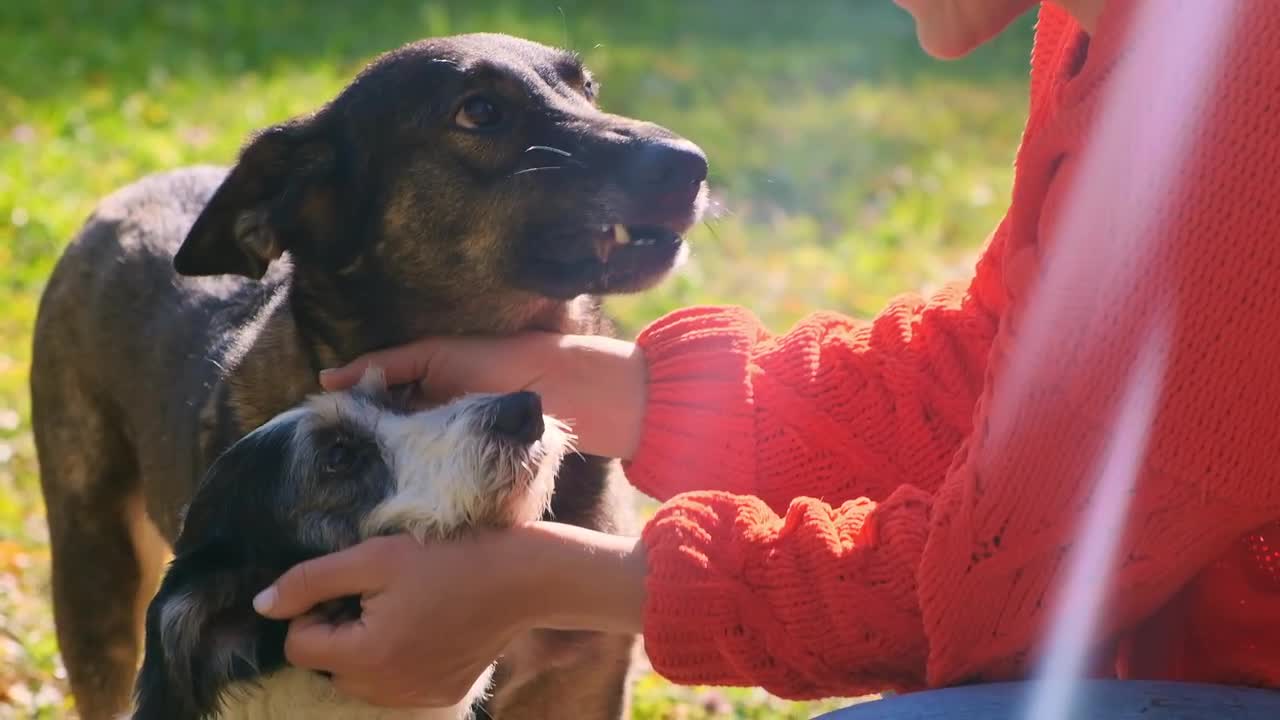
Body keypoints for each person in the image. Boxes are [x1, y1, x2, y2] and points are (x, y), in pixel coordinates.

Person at [251, 0, 1280, 708]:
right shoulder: (1125, 28)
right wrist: (632, 391)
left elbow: (1003, 591)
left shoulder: (1243, 97)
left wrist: (547, 585)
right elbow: (1010, 382)